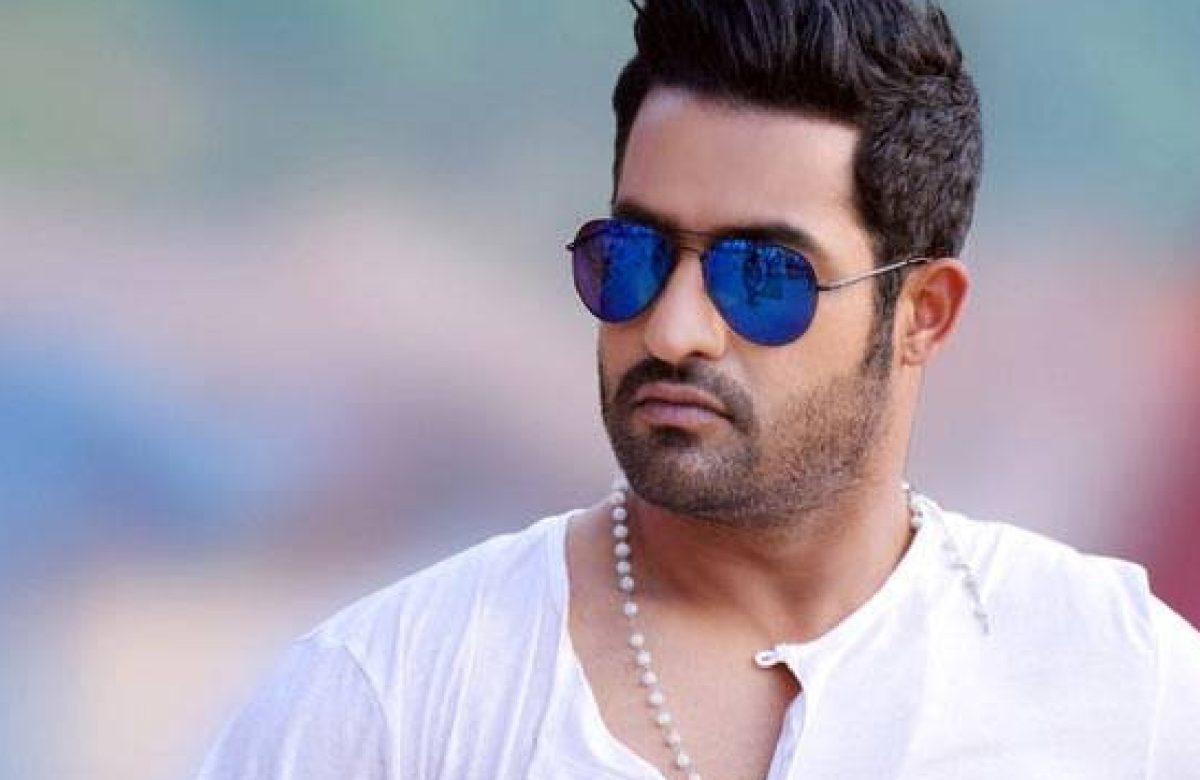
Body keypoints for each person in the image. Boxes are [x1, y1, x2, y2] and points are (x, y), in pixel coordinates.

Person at [197, 1, 1200, 778]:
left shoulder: (1121, 684)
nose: (674, 329)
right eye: (632, 256)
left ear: (924, 315)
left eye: (762, 278)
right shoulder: (388, 702)